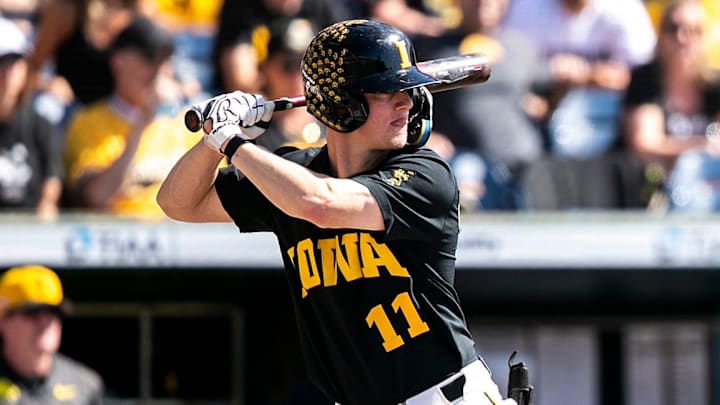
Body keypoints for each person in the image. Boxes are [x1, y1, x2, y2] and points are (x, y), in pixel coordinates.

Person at [157, 19, 517, 405]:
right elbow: (178, 202)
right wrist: (211, 143)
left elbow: (320, 204)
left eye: (408, 91)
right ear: (341, 105)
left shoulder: (425, 175)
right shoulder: (291, 176)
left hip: (442, 396)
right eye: (386, 92)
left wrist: (231, 141)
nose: (407, 102)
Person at [421, 0, 549, 210]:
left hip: (523, 161)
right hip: (466, 163)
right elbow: (406, 100)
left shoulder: (517, 45)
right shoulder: (433, 48)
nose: (483, 3)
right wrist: (427, 135)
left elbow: (541, 91)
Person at [63, 15, 194, 218]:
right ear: (118, 62)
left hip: (185, 238)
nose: (159, 70)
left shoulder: (187, 123)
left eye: (165, 60)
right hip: (118, 241)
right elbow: (97, 197)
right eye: (150, 59)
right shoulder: (88, 123)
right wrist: (142, 123)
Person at [503, 0, 657, 159]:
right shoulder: (528, 6)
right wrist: (549, 81)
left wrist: (589, 77)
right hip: (541, 106)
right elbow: (509, 69)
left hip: (607, 113)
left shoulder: (623, 8)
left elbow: (646, 76)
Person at [623, 0, 720, 212]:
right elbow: (645, 144)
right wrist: (699, 146)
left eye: (694, 31)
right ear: (660, 33)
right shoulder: (646, 81)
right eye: (674, 28)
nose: (682, 38)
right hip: (657, 189)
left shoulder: (714, 85)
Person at [0, 264, 104, 404]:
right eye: (32, 313)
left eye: (53, 312)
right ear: (3, 320)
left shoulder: (84, 384)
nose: (45, 322)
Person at [211, 0, 351, 94]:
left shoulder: (324, 6)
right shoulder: (241, 7)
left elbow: (347, 64)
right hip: (261, 109)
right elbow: (241, 80)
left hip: (314, 107)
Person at [0, 17, 62, 220]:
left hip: (28, 233)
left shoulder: (40, 124)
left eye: (14, 63)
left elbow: (52, 178)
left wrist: (46, 205)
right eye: (2, 64)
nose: (8, 73)